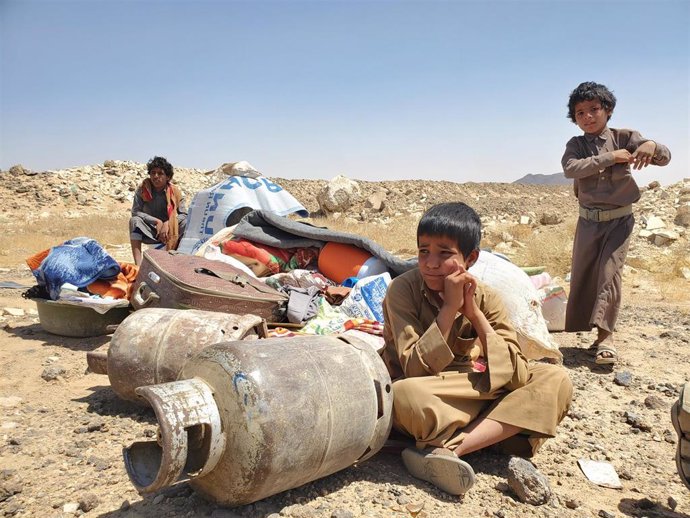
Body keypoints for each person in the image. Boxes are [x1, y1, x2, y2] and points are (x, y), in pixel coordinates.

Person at [382, 202, 573, 496]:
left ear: (469, 258)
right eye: (423, 251)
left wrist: (474, 314)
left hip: (466, 392)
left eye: (444, 253)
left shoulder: (487, 297)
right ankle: (496, 428)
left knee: (554, 379)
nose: (430, 263)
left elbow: (517, 374)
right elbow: (414, 369)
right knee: (406, 395)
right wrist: (449, 308)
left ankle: (451, 448)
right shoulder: (402, 290)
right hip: (433, 391)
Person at [562, 82, 671, 365]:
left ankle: (605, 337)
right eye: (580, 112)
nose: (588, 116)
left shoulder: (625, 137)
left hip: (619, 221)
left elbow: (664, 156)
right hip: (588, 222)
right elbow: (571, 168)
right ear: (574, 118)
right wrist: (610, 158)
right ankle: (589, 330)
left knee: (610, 274)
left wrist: (652, 145)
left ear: (607, 110)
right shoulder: (576, 145)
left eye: (594, 109)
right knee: (585, 276)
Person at [129, 156, 188, 265]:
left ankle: (177, 260)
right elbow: (135, 211)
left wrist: (167, 223)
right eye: (153, 173)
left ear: (168, 177)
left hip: (170, 231)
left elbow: (184, 214)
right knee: (134, 221)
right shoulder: (143, 189)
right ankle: (138, 265)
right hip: (151, 230)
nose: (155, 176)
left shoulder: (175, 192)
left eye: (160, 173)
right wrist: (156, 221)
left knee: (185, 223)